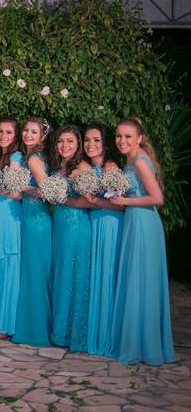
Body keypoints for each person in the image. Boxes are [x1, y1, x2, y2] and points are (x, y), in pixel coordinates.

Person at [109, 118, 175, 365]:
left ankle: (144, 346)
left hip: (143, 224)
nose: (122, 141)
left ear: (138, 138)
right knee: (137, 279)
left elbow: (157, 197)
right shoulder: (131, 160)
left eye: (128, 136)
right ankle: (140, 342)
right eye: (119, 136)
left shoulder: (138, 161)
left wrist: (124, 201)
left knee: (142, 280)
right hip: (135, 221)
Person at [49, 124, 92, 352]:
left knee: (73, 275)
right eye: (61, 141)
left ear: (78, 145)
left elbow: (90, 200)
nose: (64, 145)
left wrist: (65, 200)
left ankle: (74, 333)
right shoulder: (60, 167)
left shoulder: (82, 167)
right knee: (62, 274)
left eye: (70, 141)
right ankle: (60, 330)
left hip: (76, 227)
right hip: (61, 227)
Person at [82, 123, 123, 356]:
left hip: (109, 224)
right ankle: (97, 333)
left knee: (106, 275)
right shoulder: (89, 168)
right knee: (97, 275)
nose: (90, 144)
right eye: (87, 140)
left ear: (105, 144)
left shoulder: (110, 167)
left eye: (96, 140)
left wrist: (94, 200)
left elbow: (120, 205)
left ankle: (106, 337)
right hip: (95, 223)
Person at [12, 118, 53, 347]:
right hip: (30, 220)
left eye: (34, 132)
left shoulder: (34, 159)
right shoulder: (31, 157)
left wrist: (24, 188)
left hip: (37, 222)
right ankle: (33, 326)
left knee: (35, 274)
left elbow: (47, 191)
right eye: (26, 130)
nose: (28, 134)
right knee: (32, 273)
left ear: (42, 136)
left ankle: (36, 331)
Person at [0, 119, 23, 339]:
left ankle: (7, 325)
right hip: (1, 214)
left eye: (9, 132)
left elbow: (17, 192)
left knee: (10, 265)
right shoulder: (1, 157)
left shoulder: (16, 157)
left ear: (16, 135)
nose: (3, 136)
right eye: (0, 131)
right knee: (3, 267)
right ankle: (1, 321)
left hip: (11, 217)